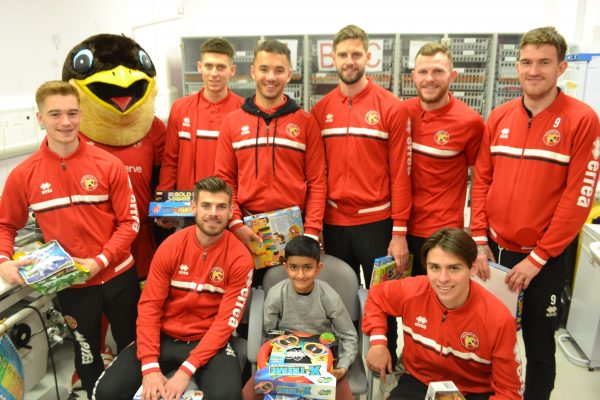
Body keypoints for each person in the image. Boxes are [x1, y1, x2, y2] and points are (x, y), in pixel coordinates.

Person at [470, 26, 600, 400]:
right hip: (494, 253)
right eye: (526, 62)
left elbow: (578, 199)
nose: (533, 70)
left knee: (540, 347)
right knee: (489, 335)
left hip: (546, 257)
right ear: (517, 65)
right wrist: (479, 241)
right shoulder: (499, 117)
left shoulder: (582, 119)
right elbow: (481, 182)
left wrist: (537, 259)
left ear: (561, 68)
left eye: (544, 62)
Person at [0, 81, 141, 399]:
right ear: (39, 118)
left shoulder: (108, 165)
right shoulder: (24, 174)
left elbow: (130, 223)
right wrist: (4, 260)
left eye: (72, 113)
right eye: (55, 114)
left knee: (134, 346)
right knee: (86, 352)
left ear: (82, 115)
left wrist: (100, 261)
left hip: (119, 277)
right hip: (71, 286)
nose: (65, 122)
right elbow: (5, 225)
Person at [93, 176, 254, 400]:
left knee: (228, 396)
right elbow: (149, 308)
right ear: (193, 207)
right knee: (106, 392)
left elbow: (226, 322)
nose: (213, 213)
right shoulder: (171, 246)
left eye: (221, 207)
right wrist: (149, 365)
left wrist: (187, 370)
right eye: (206, 205)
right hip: (163, 337)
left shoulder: (240, 258)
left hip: (207, 341)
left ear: (230, 212)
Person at [310, 23, 411, 366]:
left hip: (378, 223)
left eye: (356, 54)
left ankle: (389, 360)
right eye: (343, 55)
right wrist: (318, 225)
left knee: (386, 296)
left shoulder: (392, 108)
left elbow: (400, 174)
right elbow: (316, 175)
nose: (349, 61)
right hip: (335, 222)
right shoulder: (320, 110)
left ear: (369, 56)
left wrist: (399, 233)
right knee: (339, 298)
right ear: (332, 59)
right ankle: (347, 360)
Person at [363, 228, 523, 400]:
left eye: (454, 268)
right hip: (418, 381)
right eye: (435, 267)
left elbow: (509, 392)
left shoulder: (499, 319)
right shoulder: (413, 290)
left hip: (473, 391)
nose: (443, 278)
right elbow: (376, 296)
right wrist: (378, 341)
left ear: (473, 269)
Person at [215, 39, 326, 283]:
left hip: (294, 231)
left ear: (289, 74)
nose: (271, 77)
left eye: (279, 70)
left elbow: (318, 182)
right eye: (264, 69)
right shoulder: (232, 123)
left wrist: (311, 232)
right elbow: (225, 181)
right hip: (246, 229)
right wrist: (235, 223)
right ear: (253, 71)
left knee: (290, 307)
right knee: (245, 303)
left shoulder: (306, 123)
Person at [241, 235, 357, 400]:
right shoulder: (276, 294)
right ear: (286, 267)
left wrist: (343, 366)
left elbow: (348, 335)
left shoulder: (329, 295)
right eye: (294, 267)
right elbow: (269, 333)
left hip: (323, 357)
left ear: (318, 268)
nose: (300, 275)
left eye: (308, 267)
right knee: (248, 393)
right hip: (283, 355)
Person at [404, 42, 484, 276]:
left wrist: (479, 234)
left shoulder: (470, 122)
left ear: (453, 75)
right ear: (413, 76)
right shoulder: (402, 112)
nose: (430, 78)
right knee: (407, 297)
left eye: (438, 71)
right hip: (400, 228)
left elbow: (481, 180)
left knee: (441, 296)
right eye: (423, 71)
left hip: (442, 232)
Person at [156, 37, 243, 230]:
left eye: (221, 67)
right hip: (188, 208)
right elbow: (170, 160)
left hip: (226, 209)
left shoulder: (243, 110)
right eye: (209, 66)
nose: (214, 73)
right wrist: (163, 204)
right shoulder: (180, 108)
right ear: (199, 67)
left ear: (232, 70)